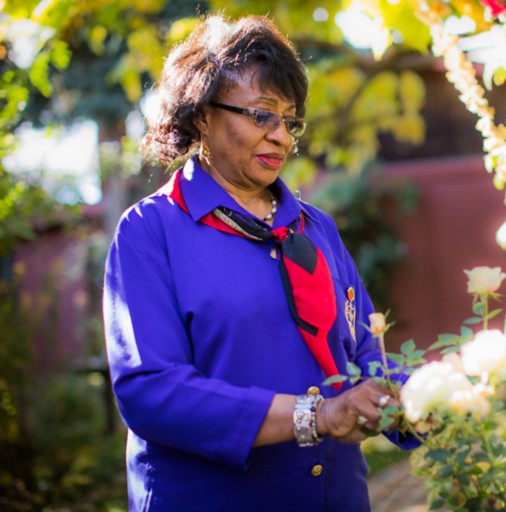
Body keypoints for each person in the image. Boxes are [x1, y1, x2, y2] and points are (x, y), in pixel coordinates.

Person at [102, 15, 417, 511]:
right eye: (261, 115)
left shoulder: (318, 230)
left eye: (289, 121)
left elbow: (360, 354)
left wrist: (425, 401)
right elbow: (152, 392)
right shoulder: (149, 232)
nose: (282, 137)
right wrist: (314, 416)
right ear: (202, 114)